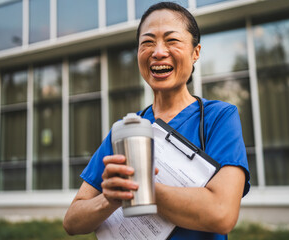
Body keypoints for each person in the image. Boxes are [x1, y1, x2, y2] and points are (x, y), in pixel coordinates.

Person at [63, 2, 250, 239]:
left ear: (196, 52)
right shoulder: (124, 131)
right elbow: (72, 221)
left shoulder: (219, 118)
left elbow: (222, 214)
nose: (158, 52)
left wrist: (139, 186)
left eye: (172, 40)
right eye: (148, 42)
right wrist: (108, 200)